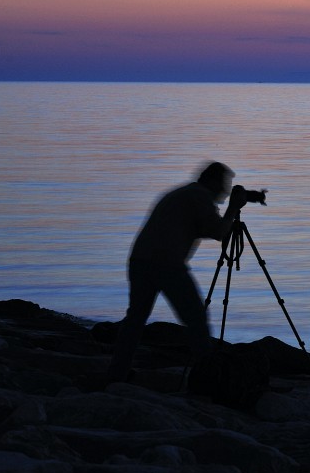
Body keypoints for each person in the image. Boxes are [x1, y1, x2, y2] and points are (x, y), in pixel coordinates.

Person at [106, 162, 248, 383]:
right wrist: (233, 209)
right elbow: (218, 231)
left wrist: (228, 212)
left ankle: (117, 372)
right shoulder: (199, 197)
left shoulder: (186, 194)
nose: (226, 190)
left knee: (135, 318)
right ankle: (207, 377)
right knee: (195, 317)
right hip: (166, 263)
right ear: (212, 182)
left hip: (141, 259)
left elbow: (204, 227)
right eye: (224, 184)